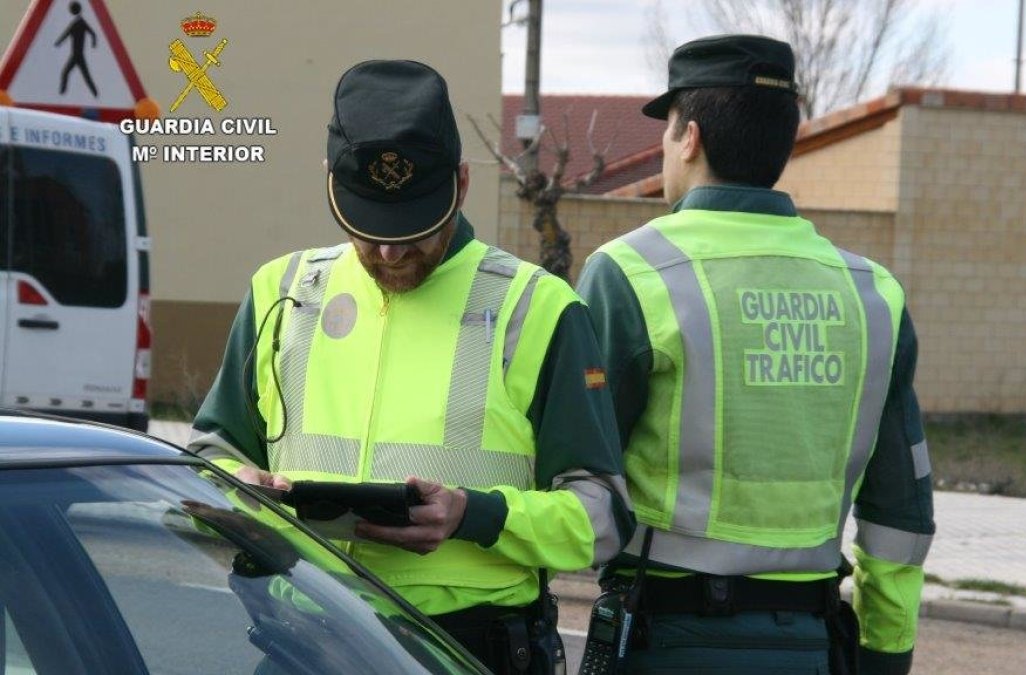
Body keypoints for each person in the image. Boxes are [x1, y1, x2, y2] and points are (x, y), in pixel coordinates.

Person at [189, 59, 633, 673]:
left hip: (463, 651)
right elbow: (207, 455)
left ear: (462, 182)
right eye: (366, 227)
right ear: (329, 182)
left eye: (413, 226)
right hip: (301, 642)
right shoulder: (282, 291)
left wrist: (475, 516)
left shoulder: (539, 309)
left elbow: (604, 518)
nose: (390, 251)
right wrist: (240, 489)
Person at [576, 35, 935, 675]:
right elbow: (901, 513)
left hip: (667, 640)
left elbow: (581, 478)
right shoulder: (872, 293)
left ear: (689, 138)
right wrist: (885, 654)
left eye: (667, 133)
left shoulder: (631, 273)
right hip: (812, 642)